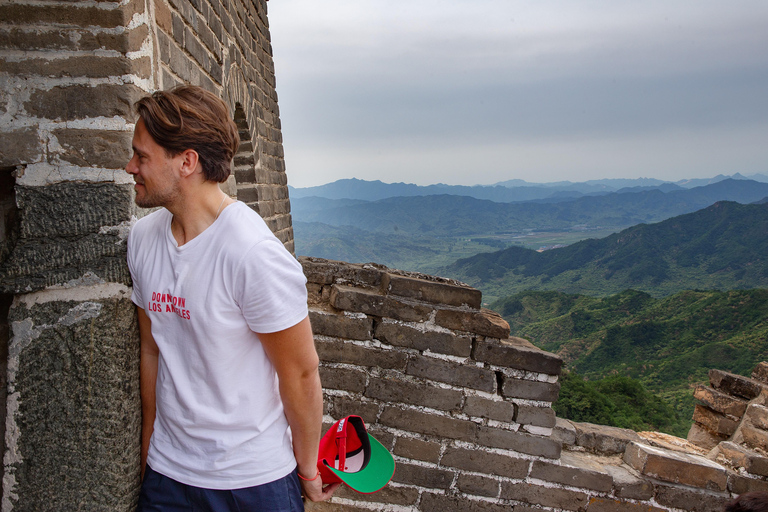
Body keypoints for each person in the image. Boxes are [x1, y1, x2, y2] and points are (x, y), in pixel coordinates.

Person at [126, 85, 339, 511]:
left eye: (142, 156)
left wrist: (308, 471)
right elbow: (152, 349)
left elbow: (299, 374)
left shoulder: (252, 253)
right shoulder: (143, 240)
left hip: (254, 481)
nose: (130, 167)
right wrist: (149, 445)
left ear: (186, 161)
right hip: (169, 477)